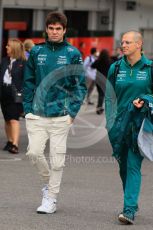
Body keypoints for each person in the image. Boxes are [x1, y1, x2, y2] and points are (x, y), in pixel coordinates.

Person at [23, 11, 87, 214]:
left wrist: (72, 112)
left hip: (61, 115)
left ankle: (51, 198)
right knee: (33, 153)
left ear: (64, 30)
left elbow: (80, 86)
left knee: (57, 160)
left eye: (58, 29)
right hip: (37, 114)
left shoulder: (72, 53)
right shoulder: (36, 52)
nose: (54, 32)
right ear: (46, 30)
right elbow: (28, 81)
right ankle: (48, 184)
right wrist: (27, 109)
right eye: (51, 28)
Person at [105, 31, 153, 225]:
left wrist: (146, 99)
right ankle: (130, 204)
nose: (123, 45)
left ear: (139, 44)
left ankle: (129, 209)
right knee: (123, 166)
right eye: (122, 42)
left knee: (133, 164)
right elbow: (109, 96)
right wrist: (110, 122)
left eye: (127, 42)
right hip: (118, 125)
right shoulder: (115, 68)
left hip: (139, 125)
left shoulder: (150, 68)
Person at [0, 38, 26, 154]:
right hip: (3, 92)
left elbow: (27, 81)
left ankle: (15, 144)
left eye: (8, 46)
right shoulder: (4, 60)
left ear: (14, 48)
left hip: (15, 94)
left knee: (14, 119)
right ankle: (10, 141)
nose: (6, 47)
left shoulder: (22, 63)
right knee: (7, 119)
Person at [91, 49, 112, 114]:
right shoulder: (109, 62)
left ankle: (99, 107)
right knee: (102, 94)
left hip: (98, 79)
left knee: (100, 93)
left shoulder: (98, 61)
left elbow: (92, 66)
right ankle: (100, 108)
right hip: (105, 79)